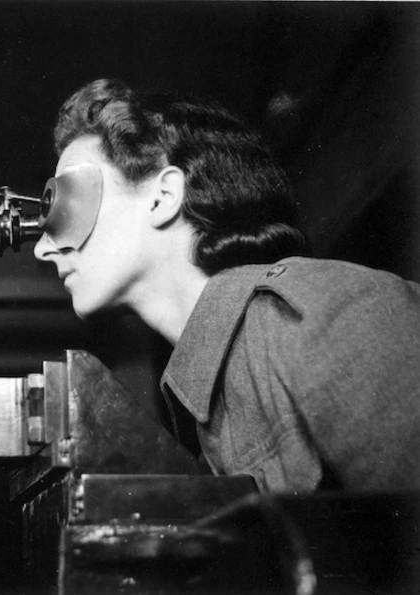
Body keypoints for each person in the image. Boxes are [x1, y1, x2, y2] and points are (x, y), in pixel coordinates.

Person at [33, 78, 420, 494]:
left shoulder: (312, 315)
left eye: (67, 206)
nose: (41, 249)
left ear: (163, 197)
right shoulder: (200, 389)